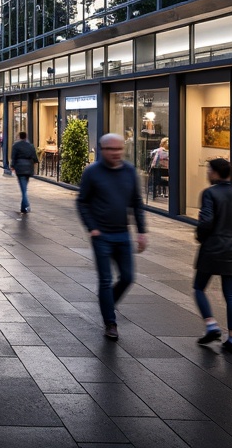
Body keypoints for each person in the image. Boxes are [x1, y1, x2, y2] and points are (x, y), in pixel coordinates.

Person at [77, 132, 148, 341]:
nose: (116, 153)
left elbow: (136, 202)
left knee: (128, 277)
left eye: (119, 149)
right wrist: (92, 227)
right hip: (102, 235)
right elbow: (82, 202)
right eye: (112, 149)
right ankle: (110, 322)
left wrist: (142, 232)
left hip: (122, 234)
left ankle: (107, 303)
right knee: (106, 280)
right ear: (102, 150)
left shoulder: (129, 171)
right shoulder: (92, 172)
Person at [194, 157, 232, 355]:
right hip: (231, 249)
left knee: (199, 287)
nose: (208, 173)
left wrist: (200, 235)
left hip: (211, 247)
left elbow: (206, 221)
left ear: (216, 173)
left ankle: (211, 324)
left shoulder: (209, 193)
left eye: (209, 170)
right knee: (231, 295)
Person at [10, 130, 39, 213]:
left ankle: (26, 204)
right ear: (26, 137)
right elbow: (34, 158)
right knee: (24, 188)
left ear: (19, 137)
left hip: (20, 168)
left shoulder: (16, 145)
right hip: (28, 168)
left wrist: (12, 166)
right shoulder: (30, 146)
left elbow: (13, 157)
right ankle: (23, 208)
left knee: (23, 189)